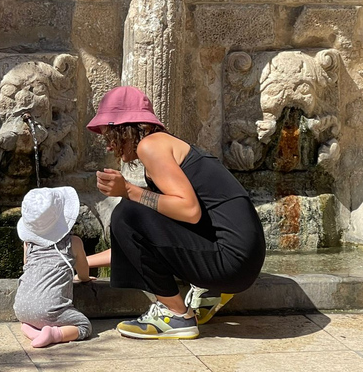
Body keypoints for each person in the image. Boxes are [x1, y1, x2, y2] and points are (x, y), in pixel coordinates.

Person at [85, 86, 266, 339]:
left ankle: (176, 315)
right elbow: (149, 241)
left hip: (232, 261)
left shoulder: (151, 145)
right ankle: (208, 291)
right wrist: (83, 262)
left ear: (124, 129)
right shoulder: (171, 147)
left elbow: (189, 211)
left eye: (109, 137)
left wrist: (127, 189)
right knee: (137, 211)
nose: (108, 147)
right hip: (243, 263)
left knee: (126, 213)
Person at [13, 186, 94, 348]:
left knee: (33, 317)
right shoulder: (74, 243)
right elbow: (83, 270)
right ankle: (54, 334)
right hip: (51, 311)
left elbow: (27, 267)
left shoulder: (28, 243)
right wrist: (83, 278)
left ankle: (31, 329)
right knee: (84, 326)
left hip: (21, 309)